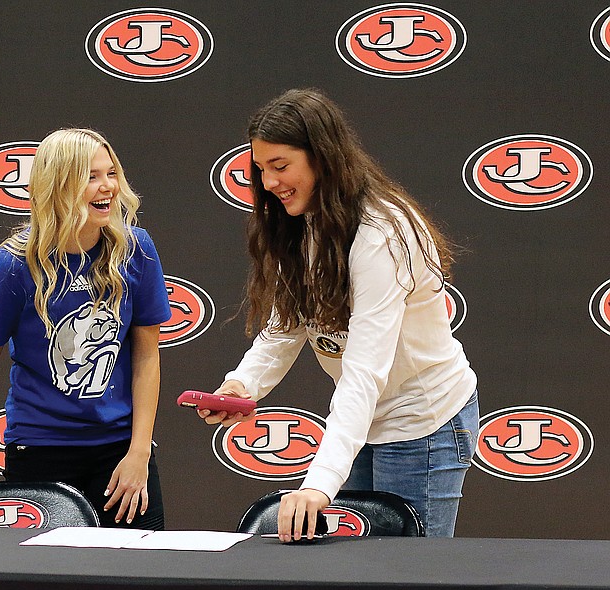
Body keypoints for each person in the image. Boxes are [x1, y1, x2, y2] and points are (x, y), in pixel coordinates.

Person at [198, 89, 478, 539]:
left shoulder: (382, 235)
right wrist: (242, 385)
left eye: (281, 166)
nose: (268, 182)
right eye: (261, 168)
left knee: (410, 583)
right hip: (362, 422)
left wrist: (319, 484)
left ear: (323, 159)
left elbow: (364, 371)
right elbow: (284, 328)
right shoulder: (303, 221)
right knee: (364, 577)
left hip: (423, 422)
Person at [0, 128, 172, 529]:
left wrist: (139, 452)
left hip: (120, 451)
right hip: (39, 450)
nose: (107, 187)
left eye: (111, 173)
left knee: (139, 583)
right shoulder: (13, 264)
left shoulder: (135, 249)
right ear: (59, 186)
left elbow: (146, 357)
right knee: (48, 589)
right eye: (90, 176)